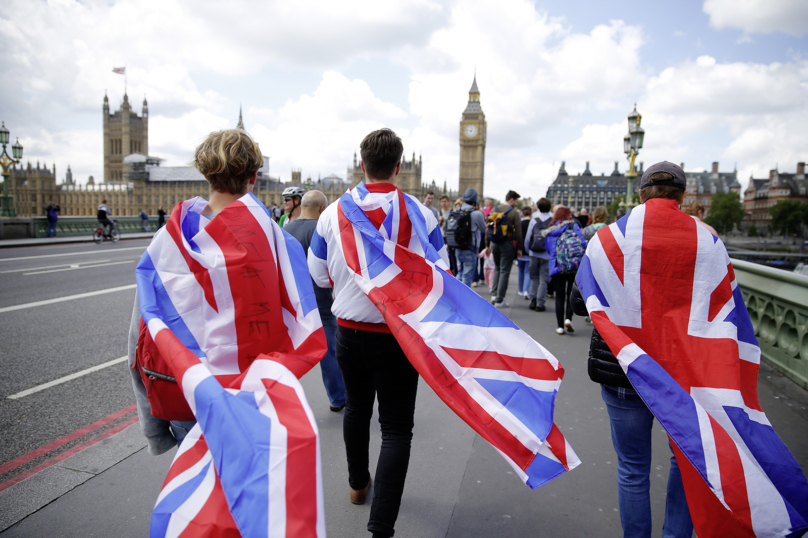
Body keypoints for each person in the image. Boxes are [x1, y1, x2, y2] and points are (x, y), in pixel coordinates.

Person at [308, 128, 447, 538]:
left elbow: (317, 272)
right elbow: (442, 275)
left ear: (362, 164)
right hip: (400, 335)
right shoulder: (423, 215)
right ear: (400, 167)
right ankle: (381, 526)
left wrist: (350, 286)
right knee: (397, 427)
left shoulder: (332, 213)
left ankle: (357, 485)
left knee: (356, 408)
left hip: (349, 332)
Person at [128, 128, 279, 453]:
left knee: (200, 498)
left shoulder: (168, 241)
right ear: (254, 176)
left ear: (205, 173)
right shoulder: (276, 242)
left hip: (189, 396)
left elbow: (142, 337)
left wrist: (154, 431)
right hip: (252, 397)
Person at [571, 162, 694, 538]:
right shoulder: (706, 240)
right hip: (683, 375)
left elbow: (581, 303)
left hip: (627, 370)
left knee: (633, 469)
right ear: (682, 196)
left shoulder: (608, 239)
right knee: (690, 467)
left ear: (640, 195)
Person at [285, 190, 347, 413]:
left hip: (293, 303)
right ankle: (338, 397)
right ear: (322, 209)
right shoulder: (320, 231)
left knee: (290, 353)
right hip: (321, 302)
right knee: (329, 352)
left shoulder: (286, 229)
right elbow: (330, 268)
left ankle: (283, 401)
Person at [543, 205, 586, 334]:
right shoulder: (573, 226)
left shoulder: (550, 230)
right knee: (570, 294)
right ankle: (568, 318)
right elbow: (582, 243)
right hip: (573, 264)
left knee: (559, 296)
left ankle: (560, 326)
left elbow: (548, 249)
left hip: (557, 266)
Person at [486, 190, 522, 308]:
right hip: (507, 243)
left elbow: (488, 227)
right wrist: (520, 248)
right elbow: (519, 233)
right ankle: (500, 300)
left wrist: (487, 245)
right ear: (511, 199)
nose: (516, 203)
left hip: (494, 243)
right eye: (516, 201)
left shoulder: (494, 209)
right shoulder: (514, 213)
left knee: (497, 269)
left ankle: (494, 295)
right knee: (505, 271)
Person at [448, 188, 486, 287]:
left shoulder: (457, 210)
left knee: (459, 274)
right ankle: (463, 300)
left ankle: (455, 298)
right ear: (475, 201)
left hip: (457, 247)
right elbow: (483, 228)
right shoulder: (477, 213)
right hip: (470, 248)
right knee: (467, 276)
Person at [524, 197, 553, 312]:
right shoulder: (552, 221)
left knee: (534, 277)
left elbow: (527, 238)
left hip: (534, 253)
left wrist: (528, 250)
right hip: (546, 253)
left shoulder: (534, 220)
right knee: (543, 279)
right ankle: (540, 303)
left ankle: (533, 299)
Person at [517, 206, 532, 299]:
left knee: (520, 271)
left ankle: (521, 290)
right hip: (530, 251)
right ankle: (526, 290)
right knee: (527, 271)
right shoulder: (533, 223)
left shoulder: (520, 224)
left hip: (520, 250)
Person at [439, 195, 457, 275]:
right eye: (442, 202)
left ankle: (452, 270)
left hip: (450, 236)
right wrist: (439, 221)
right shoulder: (439, 212)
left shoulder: (452, 212)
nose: (443, 203)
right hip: (441, 235)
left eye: (445, 201)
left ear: (448, 202)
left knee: (452, 254)